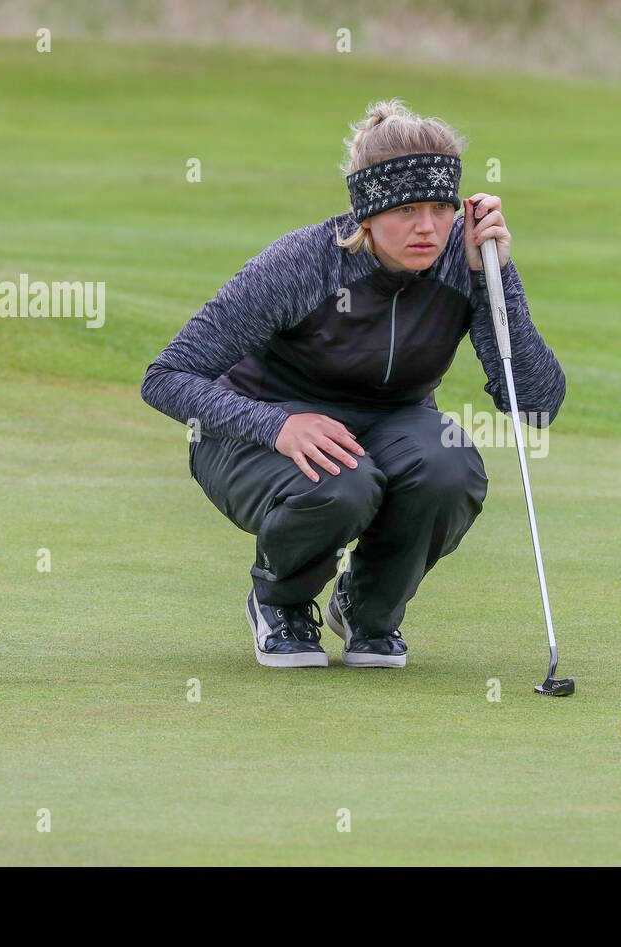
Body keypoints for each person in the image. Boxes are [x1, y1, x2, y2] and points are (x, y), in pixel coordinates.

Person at [140, 98, 566, 670]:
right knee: (343, 481)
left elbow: (535, 402)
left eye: (442, 207)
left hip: (390, 426)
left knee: (449, 465)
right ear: (366, 211)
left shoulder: (462, 262)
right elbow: (166, 377)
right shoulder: (304, 263)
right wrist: (277, 425)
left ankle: (367, 612)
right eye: (406, 209)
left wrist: (494, 278)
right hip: (253, 434)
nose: (426, 227)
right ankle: (280, 603)